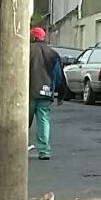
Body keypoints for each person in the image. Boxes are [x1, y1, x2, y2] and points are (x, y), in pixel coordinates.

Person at [28, 27, 64, 161]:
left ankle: (18, 148)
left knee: (24, 121)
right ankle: (44, 151)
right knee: (44, 120)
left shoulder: (27, 50)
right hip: (46, 91)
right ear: (43, 38)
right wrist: (61, 94)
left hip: (29, 91)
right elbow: (58, 75)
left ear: (33, 37)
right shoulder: (53, 54)